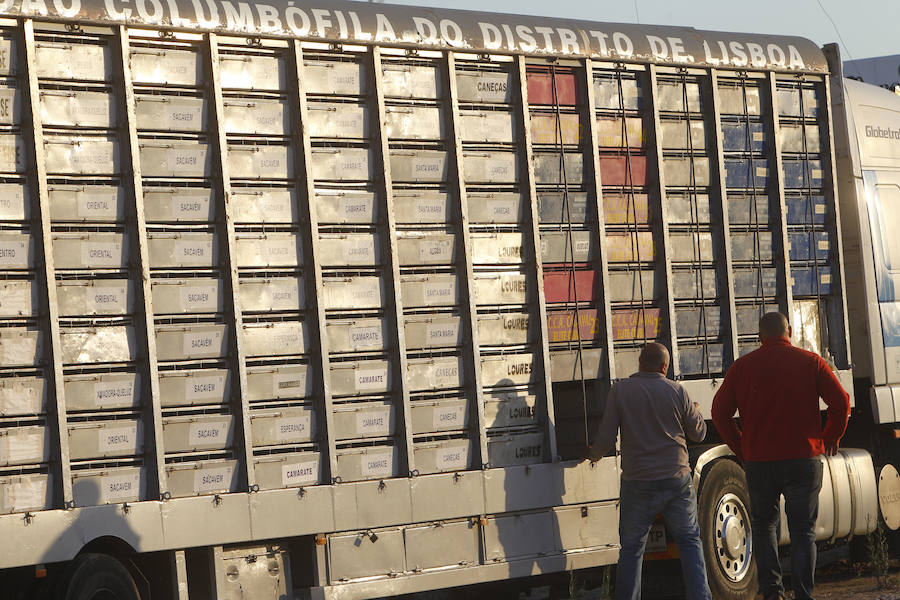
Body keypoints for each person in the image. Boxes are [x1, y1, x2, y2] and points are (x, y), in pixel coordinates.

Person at [711, 312, 850, 600]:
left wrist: (742, 448)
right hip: (803, 458)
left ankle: (772, 592)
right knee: (803, 530)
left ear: (760, 336)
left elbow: (719, 413)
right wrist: (830, 437)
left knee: (763, 527)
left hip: (760, 462)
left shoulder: (742, 368)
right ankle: (803, 594)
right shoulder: (811, 362)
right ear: (789, 331)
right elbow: (841, 401)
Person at [587, 342, 711, 600]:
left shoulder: (619, 391)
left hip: (638, 482)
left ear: (640, 361)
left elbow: (607, 437)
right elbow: (698, 434)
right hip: (676, 479)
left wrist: (593, 455)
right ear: (665, 366)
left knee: (632, 548)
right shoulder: (677, 391)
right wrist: (695, 412)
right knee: (689, 541)